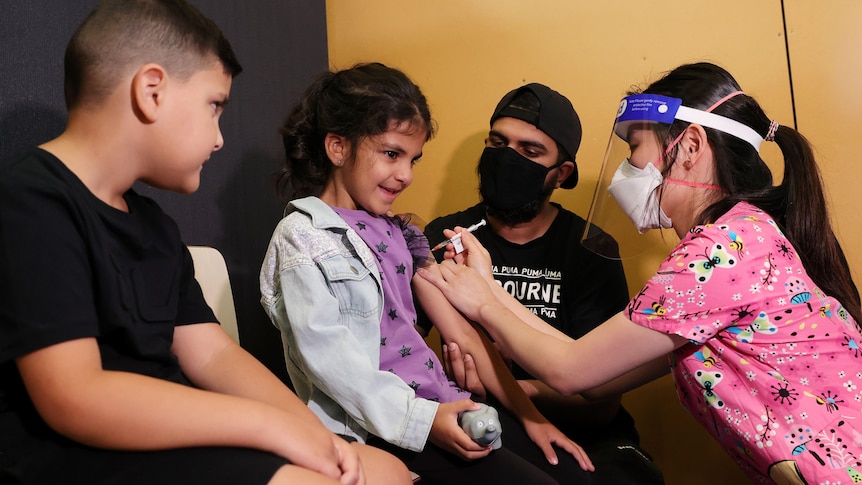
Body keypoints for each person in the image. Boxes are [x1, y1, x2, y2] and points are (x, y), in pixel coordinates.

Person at [0, 2, 412, 484]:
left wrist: (313, 434)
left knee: (384, 471)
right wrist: (267, 426)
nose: (219, 139)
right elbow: (75, 396)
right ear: (151, 91)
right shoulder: (31, 200)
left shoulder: (153, 225)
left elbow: (213, 354)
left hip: (170, 439)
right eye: (214, 106)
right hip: (76, 452)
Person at [418, 62, 862, 485]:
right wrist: (492, 291)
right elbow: (596, 376)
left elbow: (570, 371)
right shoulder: (742, 235)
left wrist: (481, 299)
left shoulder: (719, 253)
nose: (626, 169)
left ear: (689, 147)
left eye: (634, 148)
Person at [259, 62, 594, 485]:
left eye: (413, 159)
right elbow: (334, 365)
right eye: (392, 154)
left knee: (572, 476)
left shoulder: (403, 233)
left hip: (444, 406)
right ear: (338, 148)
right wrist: (425, 421)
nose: (406, 175)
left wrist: (530, 418)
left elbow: (463, 335)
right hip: (377, 430)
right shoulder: (302, 236)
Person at [420, 83, 664, 484]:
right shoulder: (449, 236)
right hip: (485, 424)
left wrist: (502, 383)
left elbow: (599, 402)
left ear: (561, 173)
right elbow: (397, 342)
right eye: (498, 143)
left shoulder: (591, 248)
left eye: (530, 152)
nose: (506, 159)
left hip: (592, 438)